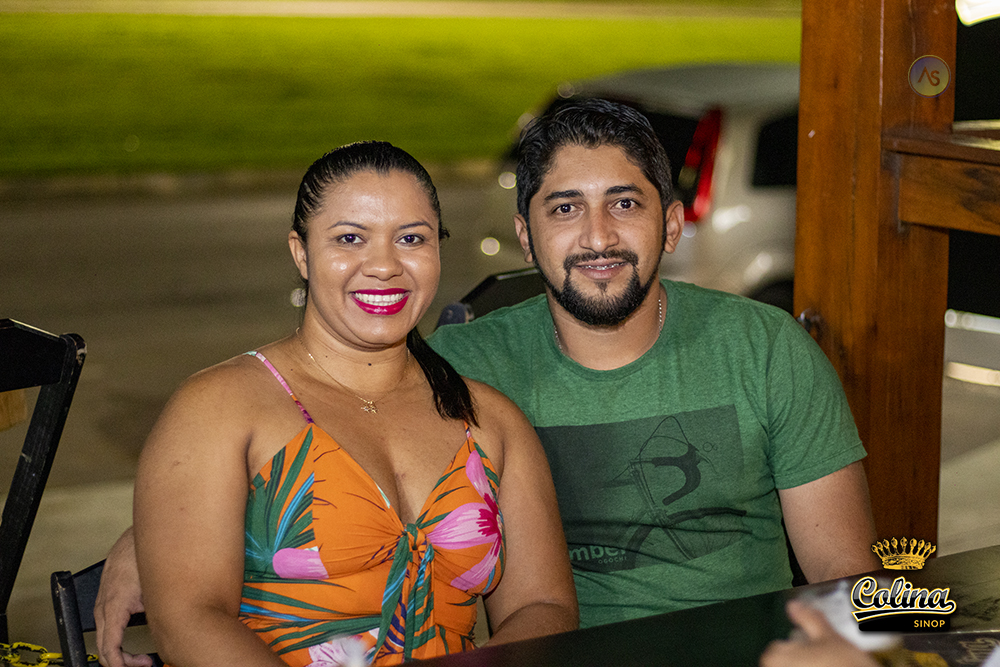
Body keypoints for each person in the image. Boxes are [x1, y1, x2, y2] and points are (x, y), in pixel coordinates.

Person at [97, 100, 878, 664]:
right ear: (525, 235)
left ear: (671, 223)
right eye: (565, 208)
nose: (597, 236)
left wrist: (898, 639)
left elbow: (851, 581)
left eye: (625, 204)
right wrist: (155, 535)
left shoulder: (763, 349)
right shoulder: (464, 367)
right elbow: (323, 423)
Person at [120, 141, 577, 667]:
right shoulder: (220, 408)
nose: (383, 266)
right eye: (350, 238)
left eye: (411, 238)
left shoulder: (490, 421)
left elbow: (543, 606)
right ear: (301, 253)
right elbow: (189, 620)